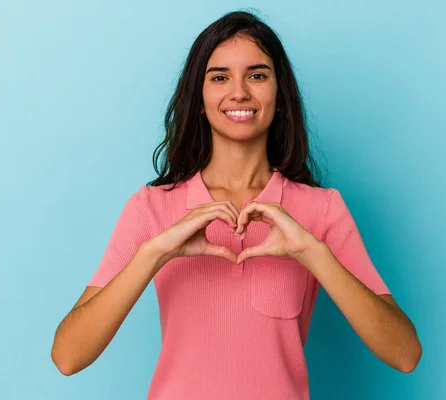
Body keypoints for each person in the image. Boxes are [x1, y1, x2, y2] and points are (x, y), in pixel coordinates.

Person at [51, 10, 422, 399]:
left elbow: (405, 354)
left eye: (257, 75)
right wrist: (155, 253)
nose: (240, 92)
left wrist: (313, 253)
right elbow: (68, 356)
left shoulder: (321, 209)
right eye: (220, 77)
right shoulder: (151, 208)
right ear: (199, 98)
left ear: (279, 96)